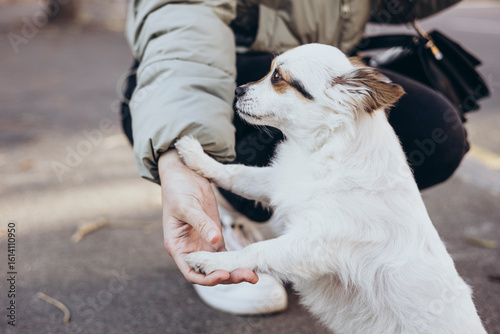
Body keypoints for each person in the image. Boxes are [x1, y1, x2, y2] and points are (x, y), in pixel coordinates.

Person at [120, 0, 466, 315]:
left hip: (326, 77)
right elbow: (184, 17)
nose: (254, 89)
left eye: (276, 81)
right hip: (206, 60)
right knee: (274, 166)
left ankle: (298, 233)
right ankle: (224, 214)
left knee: (438, 129)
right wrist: (192, 167)